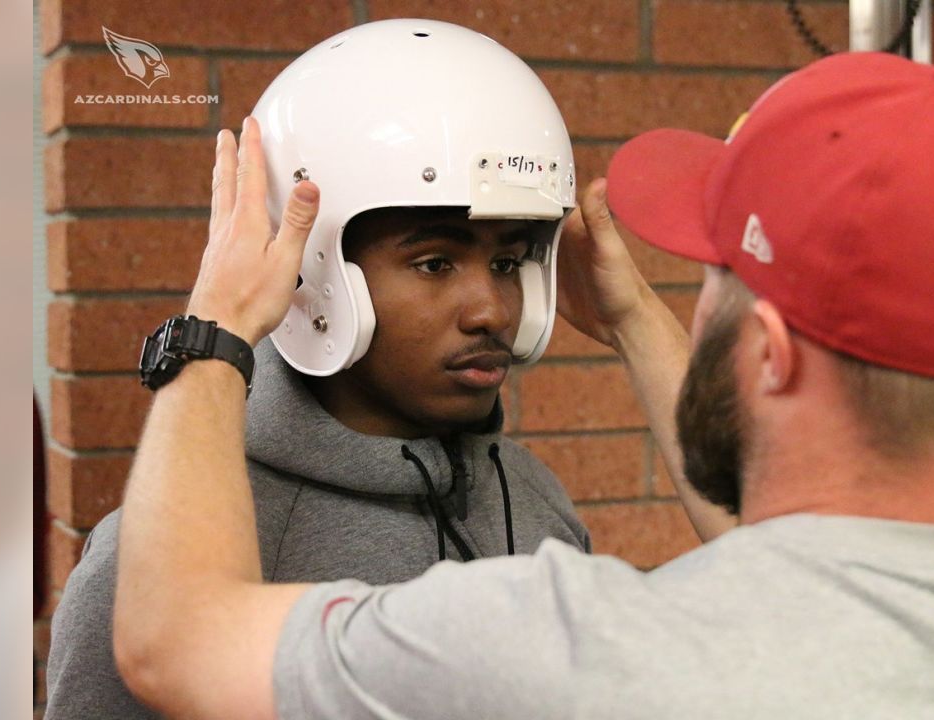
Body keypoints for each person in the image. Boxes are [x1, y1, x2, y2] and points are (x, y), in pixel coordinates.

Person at [111, 52, 934, 719]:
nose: (490, 304)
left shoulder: (570, 645)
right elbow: (798, 574)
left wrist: (215, 329)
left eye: (712, 284)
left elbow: (170, 639)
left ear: (769, 356)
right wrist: (629, 319)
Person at [44, 20, 594, 719]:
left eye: (509, 262)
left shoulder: (533, 499)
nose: (492, 309)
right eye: (435, 263)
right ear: (314, 275)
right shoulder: (157, 566)